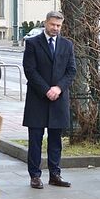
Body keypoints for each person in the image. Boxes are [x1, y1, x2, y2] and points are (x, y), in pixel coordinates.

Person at [23, 11, 76, 189]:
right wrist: (46, 90)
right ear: (46, 23)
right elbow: (30, 70)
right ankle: (35, 176)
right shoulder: (32, 43)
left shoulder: (67, 45)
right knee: (35, 139)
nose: (55, 28)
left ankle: (55, 174)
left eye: (58, 26)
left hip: (58, 99)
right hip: (38, 98)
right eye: (53, 24)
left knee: (55, 139)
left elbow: (71, 71)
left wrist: (58, 88)